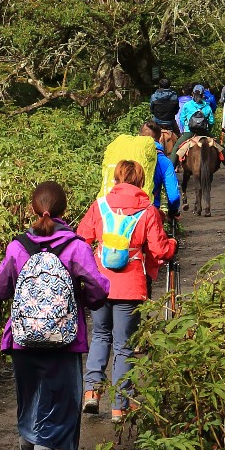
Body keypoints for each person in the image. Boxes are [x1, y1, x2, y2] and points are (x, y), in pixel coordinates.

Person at [0, 180, 109, 450]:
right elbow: (99, 287)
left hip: (22, 342)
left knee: (29, 405)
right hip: (64, 344)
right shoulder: (75, 247)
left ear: (31, 209)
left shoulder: (18, 246)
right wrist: (83, 299)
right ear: (64, 211)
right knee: (52, 416)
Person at [77, 158, 175, 425]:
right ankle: (120, 407)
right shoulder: (149, 211)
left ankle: (91, 392)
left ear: (116, 179)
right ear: (141, 180)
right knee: (124, 346)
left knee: (100, 335)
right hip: (130, 286)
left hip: (99, 284)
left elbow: (82, 240)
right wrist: (172, 245)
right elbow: (159, 250)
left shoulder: (99, 206)